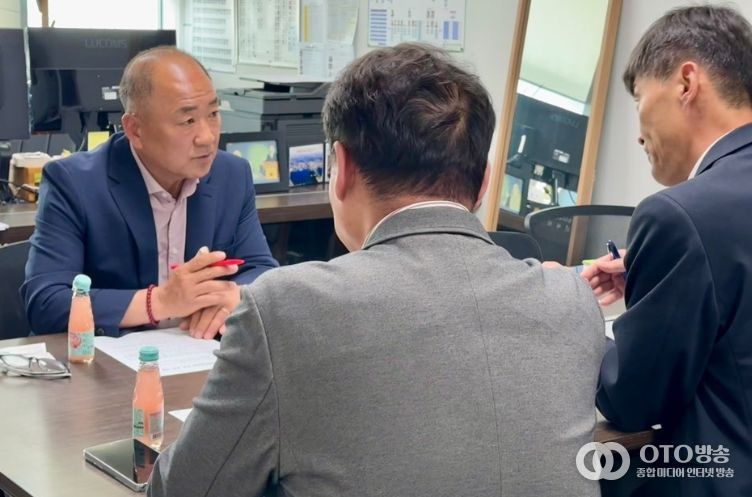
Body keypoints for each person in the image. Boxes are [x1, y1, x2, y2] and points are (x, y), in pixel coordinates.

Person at [147, 43, 604, 497]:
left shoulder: (285, 310)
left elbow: (185, 489)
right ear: (484, 182)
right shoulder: (572, 300)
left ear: (342, 168)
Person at [582, 5, 752, 495]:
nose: (638, 133)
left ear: (685, 83)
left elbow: (631, 400)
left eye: (639, 99)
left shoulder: (680, 214)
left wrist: (573, 322)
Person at [22, 47, 277, 338]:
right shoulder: (74, 183)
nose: (207, 137)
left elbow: (261, 271)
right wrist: (161, 301)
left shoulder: (232, 174)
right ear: (135, 130)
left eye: (213, 114)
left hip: (198, 353)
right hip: (106, 358)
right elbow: (46, 303)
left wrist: (233, 296)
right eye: (188, 121)